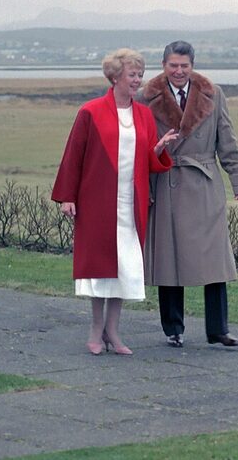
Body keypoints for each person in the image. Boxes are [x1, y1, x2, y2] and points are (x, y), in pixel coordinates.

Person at [52, 48, 178, 356]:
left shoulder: (143, 114)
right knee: (101, 269)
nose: (137, 80)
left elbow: (147, 160)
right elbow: (73, 155)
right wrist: (67, 196)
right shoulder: (90, 112)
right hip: (97, 203)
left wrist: (158, 148)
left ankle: (113, 331)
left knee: (126, 268)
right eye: (132, 75)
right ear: (115, 77)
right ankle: (96, 332)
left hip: (130, 204)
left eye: (139, 74)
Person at [137, 40, 238, 348]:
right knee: (169, 261)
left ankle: (218, 330)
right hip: (165, 181)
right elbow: (135, 147)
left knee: (215, 261)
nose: (179, 71)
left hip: (203, 185)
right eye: (173, 65)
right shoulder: (145, 97)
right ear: (163, 65)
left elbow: (227, 139)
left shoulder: (213, 94)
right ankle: (173, 329)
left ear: (193, 66)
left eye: (184, 66)